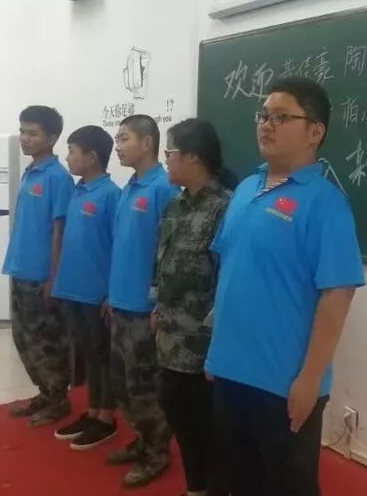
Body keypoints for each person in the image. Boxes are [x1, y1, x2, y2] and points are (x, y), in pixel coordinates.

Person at [205, 77, 366, 496]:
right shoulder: (246, 189)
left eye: (281, 117)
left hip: (282, 382)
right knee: (238, 481)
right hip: (230, 370)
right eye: (263, 115)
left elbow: (338, 294)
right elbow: (230, 271)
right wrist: (216, 349)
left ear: (315, 132)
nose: (266, 124)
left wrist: (310, 379)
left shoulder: (326, 203)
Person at [154, 118, 232, 496]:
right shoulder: (176, 206)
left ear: (193, 157)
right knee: (179, 417)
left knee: (209, 428)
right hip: (170, 338)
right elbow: (165, 264)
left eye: (170, 152)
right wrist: (157, 307)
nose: (166, 160)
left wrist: (216, 341)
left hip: (203, 346)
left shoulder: (225, 208)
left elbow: (227, 281)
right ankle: (196, 486)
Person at [105, 114, 179, 488]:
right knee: (122, 384)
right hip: (120, 303)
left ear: (147, 143)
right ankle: (141, 440)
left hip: (144, 309)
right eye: (117, 139)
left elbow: (169, 254)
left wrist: (158, 304)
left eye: (124, 138)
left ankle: (156, 453)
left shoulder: (164, 188)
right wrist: (111, 294)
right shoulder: (129, 187)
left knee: (145, 387)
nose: (117, 146)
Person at [4, 105, 74, 427]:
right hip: (20, 269)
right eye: (22, 131)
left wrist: (54, 279)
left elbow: (60, 231)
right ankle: (45, 392)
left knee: (47, 341)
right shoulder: (30, 171)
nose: (25, 138)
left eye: (32, 133)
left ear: (52, 138)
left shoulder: (58, 177)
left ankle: (58, 398)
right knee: (23, 338)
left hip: (42, 275)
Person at [51, 126, 121, 449]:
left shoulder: (111, 194)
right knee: (87, 355)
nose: (67, 158)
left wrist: (111, 292)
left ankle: (106, 418)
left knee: (102, 355)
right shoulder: (77, 191)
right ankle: (92, 411)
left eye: (72, 151)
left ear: (92, 157)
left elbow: (118, 247)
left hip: (96, 293)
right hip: (72, 289)